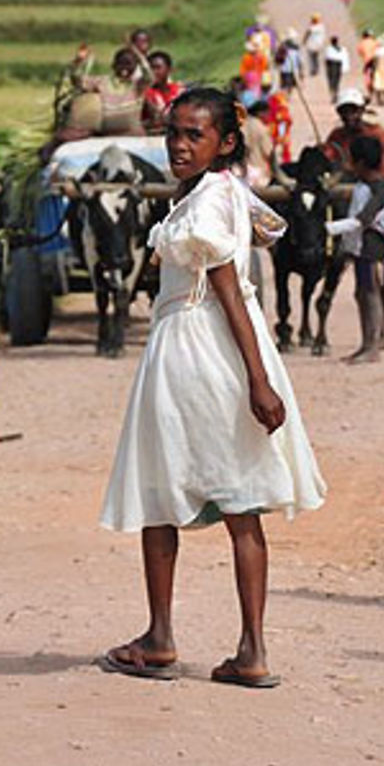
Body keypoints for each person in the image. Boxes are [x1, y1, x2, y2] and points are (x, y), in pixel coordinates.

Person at [99, 88, 325, 687]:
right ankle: (251, 650)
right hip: (224, 350)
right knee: (240, 502)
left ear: (224, 143)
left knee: (159, 492)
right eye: (174, 132)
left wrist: (258, 379)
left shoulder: (203, 206)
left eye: (194, 134)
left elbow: (227, 288)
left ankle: (159, 637)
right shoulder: (222, 192)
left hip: (195, 350)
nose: (179, 143)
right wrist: (256, 375)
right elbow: (261, 236)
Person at [326, 134, 384, 365]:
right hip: (361, 248)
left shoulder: (379, 188)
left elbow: (362, 220)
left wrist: (328, 229)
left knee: (370, 295)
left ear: (361, 163)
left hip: (372, 248)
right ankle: (365, 344)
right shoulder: (364, 186)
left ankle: (372, 347)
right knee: (361, 294)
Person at [323, 88, 384, 181]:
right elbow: (327, 160)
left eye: (353, 111)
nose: (349, 116)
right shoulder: (336, 136)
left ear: (362, 110)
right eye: (344, 111)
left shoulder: (378, 134)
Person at [141, 50, 183, 133]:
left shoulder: (179, 91)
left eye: (158, 68)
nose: (153, 72)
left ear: (169, 70)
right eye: (150, 68)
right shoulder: (143, 94)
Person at [323, 35, 350, 102]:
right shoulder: (341, 49)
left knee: (331, 82)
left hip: (331, 66)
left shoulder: (329, 49)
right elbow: (345, 58)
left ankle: (333, 95)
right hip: (338, 66)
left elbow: (326, 59)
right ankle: (335, 94)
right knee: (337, 81)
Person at [356, 29, 378, 96]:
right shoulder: (375, 42)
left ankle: (370, 92)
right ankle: (375, 90)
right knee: (375, 76)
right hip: (375, 61)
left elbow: (359, 52)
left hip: (367, 62)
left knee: (367, 77)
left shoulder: (362, 43)